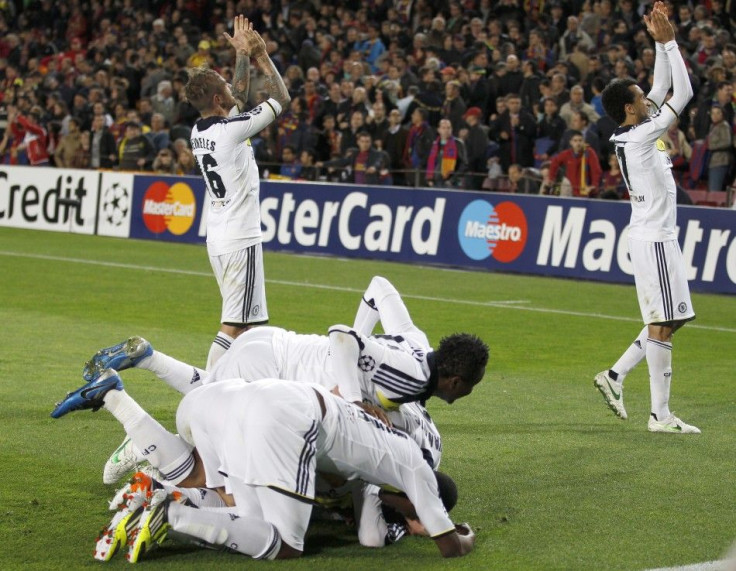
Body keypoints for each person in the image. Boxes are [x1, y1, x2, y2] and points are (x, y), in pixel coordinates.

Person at [54, 375, 475, 562]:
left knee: (231, 502)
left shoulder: (384, 443)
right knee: (285, 543)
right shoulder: (410, 467)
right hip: (286, 418)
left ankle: (159, 486)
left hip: (234, 396)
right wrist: (461, 535)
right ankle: (175, 515)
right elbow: (441, 546)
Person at [596, 3, 699, 434]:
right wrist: (671, 40)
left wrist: (658, 43)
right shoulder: (640, 136)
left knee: (673, 318)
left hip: (655, 235)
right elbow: (685, 92)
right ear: (630, 108)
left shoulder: (633, 126)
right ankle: (660, 415)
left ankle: (615, 376)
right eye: (640, 97)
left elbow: (661, 83)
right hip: (654, 238)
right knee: (664, 322)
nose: (648, 97)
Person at [185, 16, 290, 369]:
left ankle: (240, 389)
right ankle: (206, 388)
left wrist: (240, 54)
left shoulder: (200, 130)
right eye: (224, 84)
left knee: (246, 327)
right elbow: (280, 98)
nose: (231, 85)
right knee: (235, 325)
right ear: (217, 98)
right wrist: (260, 54)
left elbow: (238, 98)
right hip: (239, 238)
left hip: (219, 236)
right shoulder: (230, 131)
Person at [548, 131, 602, 197]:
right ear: (571, 142)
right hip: (570, 191)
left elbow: (596, 170)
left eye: (580, 140)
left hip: (586, 192)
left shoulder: (589, 153)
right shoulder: (567, 154)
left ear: (584, 141)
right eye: (575, 141)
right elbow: (554, 162)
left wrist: (594, 185)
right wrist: (551, 178)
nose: (578, 143)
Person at [426, 118, 467, 188]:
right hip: (435, 182)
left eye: (449, 128)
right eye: (443, 128)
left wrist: (452, 180)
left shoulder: (458, 144)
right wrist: (429, 180)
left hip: (451, 183)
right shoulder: (434, 144)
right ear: (438, 130)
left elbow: (464, 164)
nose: (446, 130)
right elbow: (430, 162)